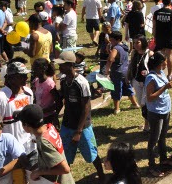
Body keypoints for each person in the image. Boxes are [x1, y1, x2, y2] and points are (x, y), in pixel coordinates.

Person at [54, 51, 105, 181]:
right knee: (65, 154)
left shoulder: (81, 83)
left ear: (70, 64)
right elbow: (63, 100)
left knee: (91, 153)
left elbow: (86, 107)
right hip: (67, 124)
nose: (59, 67)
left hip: (82, 126)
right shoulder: (64, 81)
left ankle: (102, 176)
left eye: (62, 65)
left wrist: (79, 131)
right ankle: (66, 180)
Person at [14, 104, 74, 184]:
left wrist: (38, 172)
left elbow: (65, 169)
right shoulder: (49, 127)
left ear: (26, 125)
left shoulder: (43, 142)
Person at [144, 51, 172, 177]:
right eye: (165, 60)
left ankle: (164, 160)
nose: (167, 63)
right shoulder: (151, 77)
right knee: (154, 140)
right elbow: (150, 97)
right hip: (156, 113)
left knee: (162, 138)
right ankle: (152, 165)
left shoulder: (161, 73)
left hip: (165, 110)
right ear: (161, 62)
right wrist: (165, 88)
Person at [105, 31, 139, 114]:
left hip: (117, 72)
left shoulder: (116, 48)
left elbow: (111, 59)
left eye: (111, 40)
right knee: (128, 88)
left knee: (116, 89)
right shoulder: (125, 46)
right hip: (126, 71)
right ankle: (135, 104)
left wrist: (107, 70)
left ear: (116, 39)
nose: (110, 42)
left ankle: (116, 108)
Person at [152, 0, 172, 78]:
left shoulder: (156, 13)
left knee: (159, 55)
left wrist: (154, 35)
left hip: (159, 36)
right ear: (170, 2)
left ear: (162, 2)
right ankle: (170, 74)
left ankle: (158, 73)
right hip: (169, 37)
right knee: (169, 55)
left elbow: (154, 26)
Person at [31, 57, 61, 128]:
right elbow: (36, 98)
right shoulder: (36, 81)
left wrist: (45, 111)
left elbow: (58, 103)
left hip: (48, 117)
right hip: (39, 116)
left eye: (36, 68)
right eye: (33, 68)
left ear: (44, 68)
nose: (33, 71)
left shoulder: (49, 84)